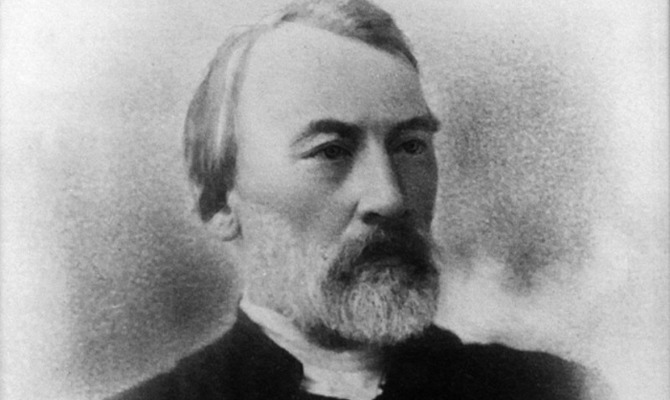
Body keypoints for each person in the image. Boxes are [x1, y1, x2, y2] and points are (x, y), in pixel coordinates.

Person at [114, 0, 588, 399]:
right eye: (330, 151)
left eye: (410, 146)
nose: (390, 197)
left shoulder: (555, 389)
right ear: (218, 201)